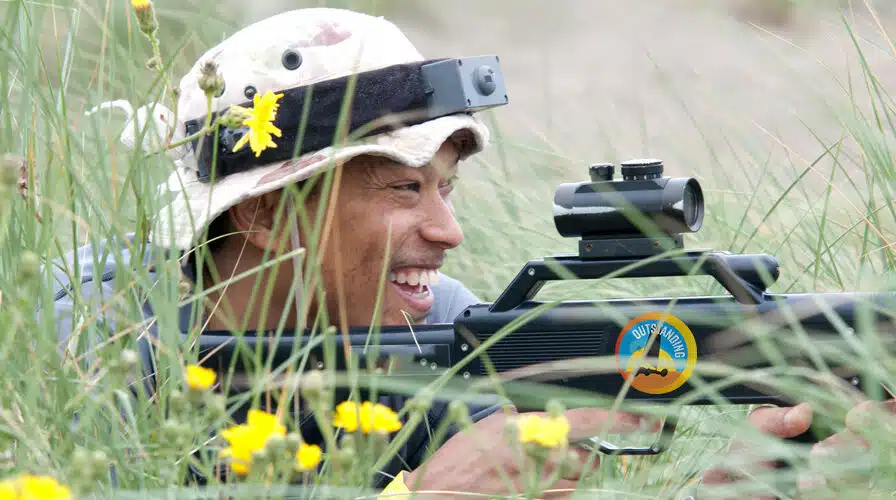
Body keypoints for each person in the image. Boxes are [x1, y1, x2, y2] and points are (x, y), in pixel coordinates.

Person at [48, 6, 893, 499]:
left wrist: (744, 482)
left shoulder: (442, 333)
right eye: (403, 188)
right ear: (265, 211)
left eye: (446, 189)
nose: (448, 232)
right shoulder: (83, 342)